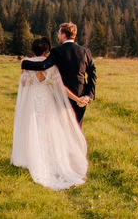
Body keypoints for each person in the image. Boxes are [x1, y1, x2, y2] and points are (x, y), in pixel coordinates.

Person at [11, 36, 88, 190]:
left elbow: (24, 82)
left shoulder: (25, 63)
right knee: (48, 130)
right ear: (47, 51)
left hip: (30, 100)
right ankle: (49, 159)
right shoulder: (51, 65)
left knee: (31, 127)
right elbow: (60, 87)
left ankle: (30, 158)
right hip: (45, 98)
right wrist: (77, 98)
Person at [20, 22, 96, 125]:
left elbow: (43, 65)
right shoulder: (85, 51)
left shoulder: (57, 51)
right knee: (77, 128)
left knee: (63, 130)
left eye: (59, 33)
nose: (58, 36)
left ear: (64, 35)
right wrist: (88, 95)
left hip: (62, 95)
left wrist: (25, 63)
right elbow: (92, 73)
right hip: (81, 95)